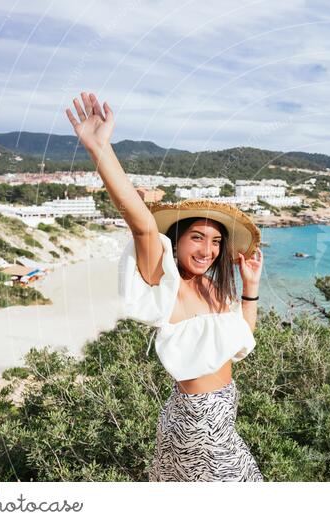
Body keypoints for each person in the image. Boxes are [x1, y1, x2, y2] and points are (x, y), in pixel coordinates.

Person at [65, 91, 264, 481]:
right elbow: (140, 221)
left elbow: (240, 338)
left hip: (221, 415)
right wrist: (100, 149)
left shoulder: (214, 289)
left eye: (216, 241)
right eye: (197, 238)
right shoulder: (163, 279)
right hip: (198, 424)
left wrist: (250, 288)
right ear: (176, 240)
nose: (208, 250)